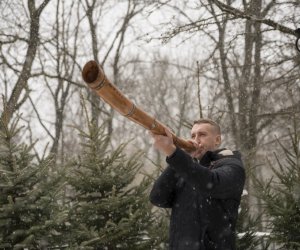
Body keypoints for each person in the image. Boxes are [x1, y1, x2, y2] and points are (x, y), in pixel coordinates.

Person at [149, 119, 245, 250]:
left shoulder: (233, 166)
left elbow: (210, 182)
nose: (196, 140)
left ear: (217, 140)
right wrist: (178, 160)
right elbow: (158, 198)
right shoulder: (187, 170)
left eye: (202, 135)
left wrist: (173, 153)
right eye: (193, 135)